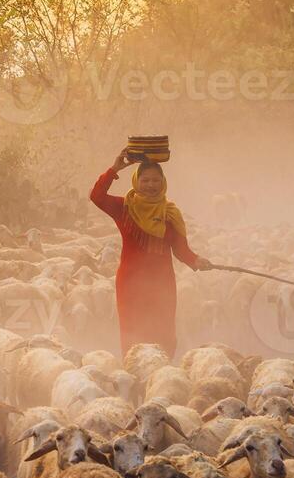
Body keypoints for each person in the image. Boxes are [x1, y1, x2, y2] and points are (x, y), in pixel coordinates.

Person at [90, 148, 213, 357]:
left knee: (163, 335)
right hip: (130, 283)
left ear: (163, 182)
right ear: (136, 182)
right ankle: (134, 382)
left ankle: (162, 379)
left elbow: (181, 250)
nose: (150, 186)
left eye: (156, 180)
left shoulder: (170, 213)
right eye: (145, 180)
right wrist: (114, 169)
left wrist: (197, 260)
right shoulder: (124, 208)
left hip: (161, 284)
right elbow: (97, 196)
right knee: (133, 337)